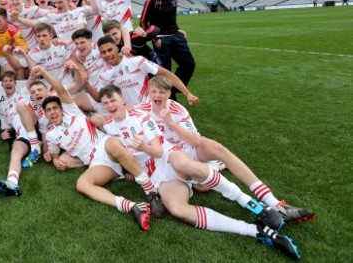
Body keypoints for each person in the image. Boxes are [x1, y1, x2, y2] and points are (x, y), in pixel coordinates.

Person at [141, 76, 315, 224]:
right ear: (148, 92)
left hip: (186, 150)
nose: (157, 95)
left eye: (162, 92)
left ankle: (274, 202)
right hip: (165, 161)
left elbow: (195, 141)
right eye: (154, 91)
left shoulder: (177, 109)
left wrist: (171, 122)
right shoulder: (140, 111)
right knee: (192, 196)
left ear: (169, 93)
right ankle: (215, 172)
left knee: (215, 147)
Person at [75, 85, 165, 229]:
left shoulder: (137, 116)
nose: (109, 105)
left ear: (122, 99)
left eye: (113, 100)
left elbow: (157, 150)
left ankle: (149, 189)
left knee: (194, 189)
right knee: (81, 184)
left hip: (143, 160)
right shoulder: (107, 125)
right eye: (106, 103)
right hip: (107, 160)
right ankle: (134, 205)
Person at [89, 36, 198, 108]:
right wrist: (85, 83)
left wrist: (188, 94)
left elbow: (166, 74)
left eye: (110, 50)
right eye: (103, 52)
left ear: (117, 49)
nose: (107, 54)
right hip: (130, 113)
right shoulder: (104, 75)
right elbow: (101, 98)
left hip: (151, 107)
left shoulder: (137, 61)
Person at [141, 0, 195, 100]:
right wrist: (153, 39)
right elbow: (143, 22)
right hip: (161, 39)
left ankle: (174, 88)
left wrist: (178, 30)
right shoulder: (152, 0)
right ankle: (170, 100)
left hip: (176, 36)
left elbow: (170, 19)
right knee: (165, 71)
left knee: (189, 64)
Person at [0, 71, 41, 197]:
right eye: (5, 81)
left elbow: (32, 75)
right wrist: (4, 134)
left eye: (10, 80)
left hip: (37, 127)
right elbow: (7, 128)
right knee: (15, 152)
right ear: (2, 85)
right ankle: (12, 183)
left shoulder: (23, 92)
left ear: (15, 83)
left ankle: (38, 144)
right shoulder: (2, 106)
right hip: (23, 136)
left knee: (20, 106)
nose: (8, 83)